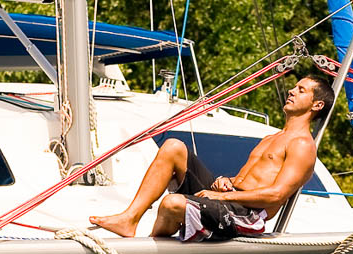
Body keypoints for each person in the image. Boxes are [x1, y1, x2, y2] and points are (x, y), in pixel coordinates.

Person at [89, 74, 334, 241]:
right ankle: (130, 219)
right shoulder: (272, 137)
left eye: (301, 90)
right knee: (173, 146)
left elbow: (276, 196)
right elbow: (251, 179)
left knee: (172, 204)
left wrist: (222, 196)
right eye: (294, 87)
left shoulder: (302, 145)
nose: (291, 90)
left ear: (317, 105)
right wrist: (227, 182)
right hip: (229, 198)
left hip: (247, 214)